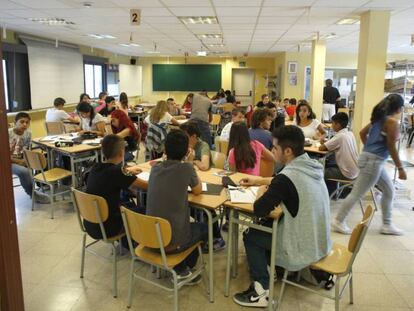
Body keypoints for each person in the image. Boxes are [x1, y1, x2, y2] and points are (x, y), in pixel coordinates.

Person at [233, 126, 332, 307]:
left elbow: (259, 209)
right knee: (271, 224)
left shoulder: (287, 178)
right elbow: (282, 180)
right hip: (320, 239)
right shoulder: (311, 166)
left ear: (287, 151)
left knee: (251, 235)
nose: (272, 151)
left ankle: (261, 291)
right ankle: (274, 267)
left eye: (275, 148)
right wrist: (259, 180)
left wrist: (261, 190)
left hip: (301, 244)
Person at [332, 94, 407, 236]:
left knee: (389, 190)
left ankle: (387, 224)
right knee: (357, 193)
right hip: (374, 162)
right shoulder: (392, 122)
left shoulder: (378, 119)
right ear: (399, 108)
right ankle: (338, 221)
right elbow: (391, 146)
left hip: (370, 159)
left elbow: (362, 133)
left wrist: (369, 149)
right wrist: (400, 168)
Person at [146, 129, 207, 280]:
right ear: (187, 151)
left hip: (149, 237)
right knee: (205, 228)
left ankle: (179, 266)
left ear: (165, 149)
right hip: (171, 243)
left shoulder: (155, 168)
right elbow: (198, 190)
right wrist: (189, 161)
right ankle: (183, 268)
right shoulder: (186, 168)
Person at [85, 135, 147, 240]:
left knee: (127, 202)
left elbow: (115, 174)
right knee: (145, 211)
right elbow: (146, 186)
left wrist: (128, 171)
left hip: (91, 223)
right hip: (109, 228)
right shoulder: (117, 172)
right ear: (122, 153)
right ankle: (143, 242)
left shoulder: (95, 168)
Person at [9, 112, 47, 203]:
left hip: (21, 159)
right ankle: (32, 194)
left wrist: (26, 160)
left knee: (42, 161)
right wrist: (19, 162)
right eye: (22, 122)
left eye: (27, 122)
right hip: (9, 161)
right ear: (15, 123)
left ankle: (42, 186)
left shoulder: (28, 134)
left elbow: (27, 150)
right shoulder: (7, 133)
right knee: (23, 171)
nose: (25, 125)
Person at [319, 113, 359, 194]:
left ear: (338, 124)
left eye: (333, 123)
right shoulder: (350, 133)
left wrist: (324, 142)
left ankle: (322, 195)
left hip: (347, 174)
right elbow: (335, 143)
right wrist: (328, 142)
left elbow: (321, 148)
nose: (331, 125)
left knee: (319, 171)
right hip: (356, 171)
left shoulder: (340, 136)